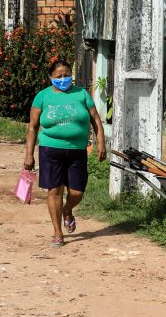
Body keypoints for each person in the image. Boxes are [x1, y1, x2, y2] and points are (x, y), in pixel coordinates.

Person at [24, 59, 107, 247]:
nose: (63, 79)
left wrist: (101, 143)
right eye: (59, 76)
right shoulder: (43, 97)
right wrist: (29, 154)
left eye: (67, 75)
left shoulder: (82, 94)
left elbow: (96, 120)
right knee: (54, 190)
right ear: (50, 77)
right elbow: (32, 127)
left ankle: (68, 211)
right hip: (50, 149)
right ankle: (57, 232)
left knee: (77, 192)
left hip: (77, 150)